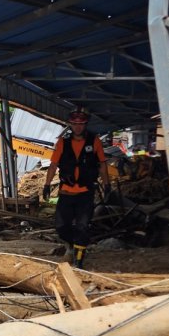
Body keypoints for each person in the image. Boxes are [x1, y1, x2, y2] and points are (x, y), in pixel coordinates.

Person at [43, 107, 111, 269]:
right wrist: (46, 185)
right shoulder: (62, 143)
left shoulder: (94, 141)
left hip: (86, 193)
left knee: (82, 226)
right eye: (74, 124)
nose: (78, 127)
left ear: (85, 124)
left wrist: (107, 184)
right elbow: (53, 165)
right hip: (66, 192)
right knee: (61, 227)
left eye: (81, 124)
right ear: (70, 125)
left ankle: (79, 261)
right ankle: (72, 245)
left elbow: (102, 164)